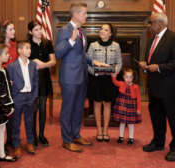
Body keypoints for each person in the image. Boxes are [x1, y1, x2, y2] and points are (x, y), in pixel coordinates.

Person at [55, 2, 108, 153]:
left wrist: (94, 61)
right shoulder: (64, 31)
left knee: (78, 109)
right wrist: (71, 40)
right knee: (67, 110)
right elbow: (59, 53)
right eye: (84, 13)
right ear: (76, 15)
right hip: (69, 78)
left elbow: (81, 53)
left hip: (82, 76)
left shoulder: (82, 32)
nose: (87, 15)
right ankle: (66, 140)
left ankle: (75, 135)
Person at [139, 12, 175, 162]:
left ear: (161, 23)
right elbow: (153, 61)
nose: (149, 26)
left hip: (171, 88)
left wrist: (158, 67)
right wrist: (145, 67)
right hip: (155, 87)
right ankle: (158, 142)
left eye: (151, 22)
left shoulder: (174, 38)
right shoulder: (150, 41)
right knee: (157, 117)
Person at [87, 23, 122, 143]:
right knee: (97, 104)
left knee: (107, 104)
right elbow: (88, 63)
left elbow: (119, 62)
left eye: (106, 30)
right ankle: (98, 130)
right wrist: (95, 72)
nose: (102, 31)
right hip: (96, 79)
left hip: (109, 80)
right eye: (101, 29)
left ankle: (105, 130)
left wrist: (115, 72)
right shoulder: (93, 45)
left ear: (110, 33)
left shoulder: (116, 46)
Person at [0, 20, 18, 152]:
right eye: (11, 29)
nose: (14, 32)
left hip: (13, 83)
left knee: (11, 111)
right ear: (3, 31)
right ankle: (1, 145)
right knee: (1, 113)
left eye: (14, 29)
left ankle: (10, 140)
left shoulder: (15, 45)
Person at [27, 20, 56, 149]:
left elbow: (54, 61)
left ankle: (41, 135)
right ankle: (32, 136)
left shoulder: (47, 43)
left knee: (43, 108)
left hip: (44, 78)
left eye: (40, 29)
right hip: (31, 79)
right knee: (33, 109)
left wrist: (43, 64)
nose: (39, 31)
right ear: (30, 32)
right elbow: (23, 62)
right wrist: (35, 61)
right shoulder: (26, 44)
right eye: (36, 29)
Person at [8, 41, 38, 158]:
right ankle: (16, 145)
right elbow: (10, 82)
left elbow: (36, 79)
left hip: (30, 96)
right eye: (27, 48)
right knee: (16, 122)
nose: (29, 50)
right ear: (19, 51)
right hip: (18, 97)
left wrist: (35, 94)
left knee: (29, 121)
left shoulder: (33, 64)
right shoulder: (12, 66)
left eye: (30, 48)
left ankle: (29, 143)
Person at [111, 69, 142, 145]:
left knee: (131, 123)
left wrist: (139, 108)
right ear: (124, 77)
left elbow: (138, 98)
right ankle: (121, 136)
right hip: (122, 106)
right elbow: (115, 82)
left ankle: (131, 137)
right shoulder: (121, 84)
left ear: (133, 77)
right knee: (122, 122)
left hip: (131, 106)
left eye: (130, 77)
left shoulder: (136, 87)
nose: (128, 79)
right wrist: (113, 76)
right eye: (127, 77)